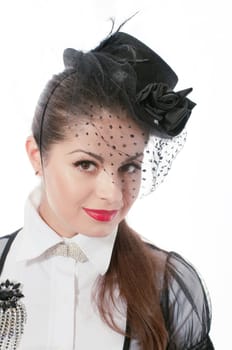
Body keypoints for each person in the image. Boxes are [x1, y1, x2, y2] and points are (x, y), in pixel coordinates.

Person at [0, 25, 214, 350]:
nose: (113, 194)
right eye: (86, 164)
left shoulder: (168, 286)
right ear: (36, 156)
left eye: (130, 166)